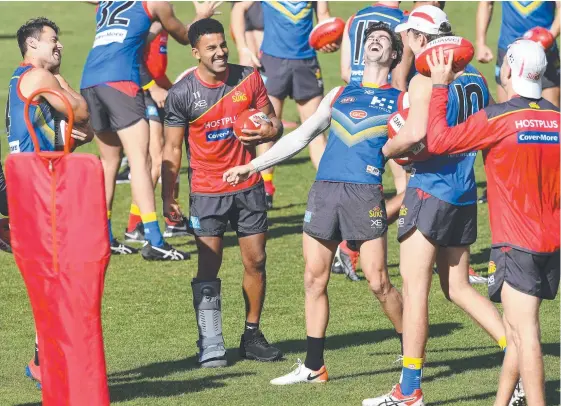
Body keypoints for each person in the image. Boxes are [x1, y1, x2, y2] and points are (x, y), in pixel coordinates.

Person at [224, 22, 405, 384]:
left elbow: (415, 144)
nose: (375, 42)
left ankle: (410, 352)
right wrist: (253, 166)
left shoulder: (400, 100)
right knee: (313, 278)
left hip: (364, 191)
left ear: (395, 55)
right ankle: (313, 366)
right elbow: (302, 136)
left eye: (383, 41)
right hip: (324, 191)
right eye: (371, 39)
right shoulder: (339, 94)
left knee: (378, 281)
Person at [362, 6, 512, 405]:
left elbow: (413, 137)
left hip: (429, 193)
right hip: (464, 194)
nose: (405, 42)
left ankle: (409, 390)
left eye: (408, 35)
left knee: (415, 293)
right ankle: (515, 356)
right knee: (459, 288)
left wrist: (386, 149)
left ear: (420, 39)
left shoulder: (424, 79)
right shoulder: (476, 78)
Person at [424, 39, 559, 406]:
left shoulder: (498, 118)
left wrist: (439, 86)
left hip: (516, 243)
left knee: (525, 332)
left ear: (510, 70)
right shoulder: (557, 119)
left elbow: (437, 141)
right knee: (517, 330)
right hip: (551, 242)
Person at [162, 18, 284, 368]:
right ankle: (211, 341)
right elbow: (172, 151)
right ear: (196, 52)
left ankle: (252, 334)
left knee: (256, 261)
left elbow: (273, 123)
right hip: (207, 191)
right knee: (208, 266)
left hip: (248, 186)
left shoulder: (248, 78)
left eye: (222, 46)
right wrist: (168, 197)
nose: (219, 53)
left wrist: (264, 133)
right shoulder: (182, 94)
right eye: (211, 48)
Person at [80, 1, 219, 259]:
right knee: (140, 161)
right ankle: (154, 240)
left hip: (89, 80)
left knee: (109, 163)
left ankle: (104, 237)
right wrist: (201, 16)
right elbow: (184, 36)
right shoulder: (156, 3)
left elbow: (140, 36)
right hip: (120, 80)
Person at [7, 17, 95, 388]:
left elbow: (73, 126)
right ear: (32, 45)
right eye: (52, 41)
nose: (58, 46)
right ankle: (46, 362)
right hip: (38, 185)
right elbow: (84, 110)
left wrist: (73, 134)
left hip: (33, 181)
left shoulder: (20, 78)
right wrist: (60, 77)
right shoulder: (40, 78)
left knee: (54, 275)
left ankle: (44, 359)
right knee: (56, 276)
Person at [231, 1, 340, 209]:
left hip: (306, 64)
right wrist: (243, 48)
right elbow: (238, 8)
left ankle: (331, 189)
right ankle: (265, 187)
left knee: (317, 132)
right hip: (272, 62)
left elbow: (324, 17)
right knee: (268, 129)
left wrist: (329, 39)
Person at [476, 1, 560, 205]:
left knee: (552, 124)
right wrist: (480, 42)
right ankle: (502, 184)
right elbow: (486, 3)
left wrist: (548, 36)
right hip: (509, 51)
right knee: (506, 125)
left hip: (545, 52)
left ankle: (552, 186)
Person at [121, 22, 190, 243]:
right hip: (143, 93)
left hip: (157, 90)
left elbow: (183, 35)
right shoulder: (146, 22)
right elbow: (133, 56)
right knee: (157, 160)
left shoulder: (163, 23)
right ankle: (136, 225)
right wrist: (152, 87)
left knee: (168, 156)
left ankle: (172, 221)